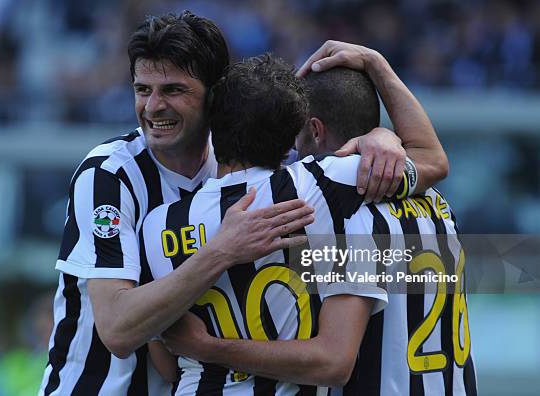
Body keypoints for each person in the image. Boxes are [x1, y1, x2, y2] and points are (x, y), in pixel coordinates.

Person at [39, 12, 448, 395]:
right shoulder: (108, 176)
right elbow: (118, 331)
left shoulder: (246, 161)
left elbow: (417, 161)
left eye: (173, 90)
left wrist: (380, 138)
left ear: (214, 97)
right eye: (142, 90)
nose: (153, 107)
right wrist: (220, 251)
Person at [160, 43, 476, 396]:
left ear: (314, 130)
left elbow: (332, 359)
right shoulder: (434, 201)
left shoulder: (351, 211)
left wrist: (207, 348)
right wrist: (376, 66)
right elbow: (431, 156)